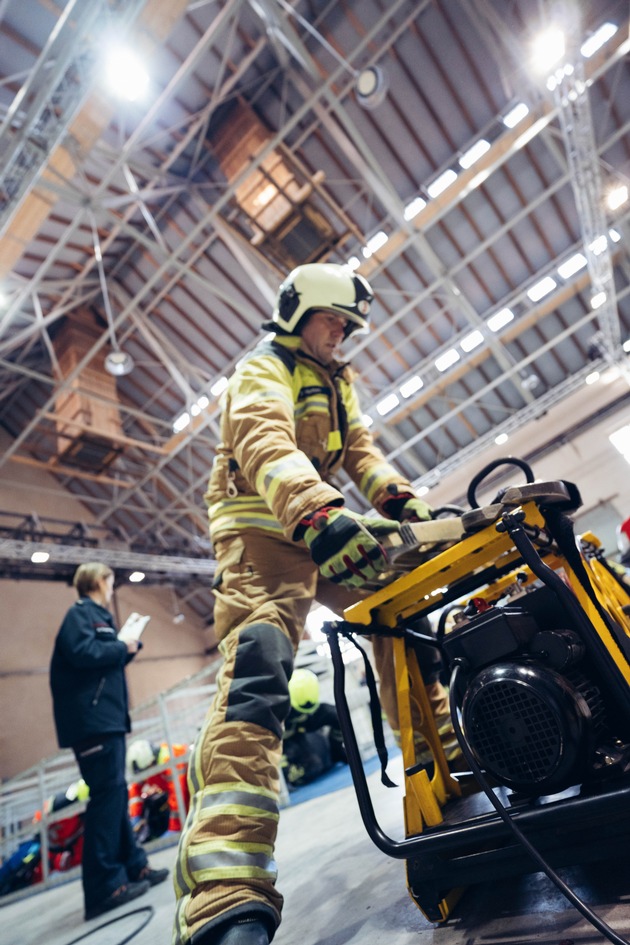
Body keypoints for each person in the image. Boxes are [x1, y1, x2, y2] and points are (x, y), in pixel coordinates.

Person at [172, 263, 457, 945]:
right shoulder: (262, 368)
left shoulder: (336, 381)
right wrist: (319, 516)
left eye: (349, 326)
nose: (344, 334)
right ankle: (224, 890)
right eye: (335, 321)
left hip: (316, 522)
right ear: (299, 315)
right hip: (260, 533)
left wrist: (401, 501)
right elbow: (264, 443)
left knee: (401, 610)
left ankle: (447, 765)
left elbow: (361, 451)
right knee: (258, 669)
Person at [49, 562, 169, 921]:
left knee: (114, 794)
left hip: (106, 720)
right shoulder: (80, 615)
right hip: (92, 723)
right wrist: (120, 648)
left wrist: (126, 648)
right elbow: (83, 653)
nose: (113, 587)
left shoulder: (96, 616)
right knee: (106, 799)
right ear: (100, 581)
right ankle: (103, 888)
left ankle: (134, 867)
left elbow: (100, 658)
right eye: (111, 581)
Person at [281, 668, 347, 788]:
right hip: (288, 744)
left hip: (305, 732)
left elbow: (331, 715)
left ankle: (336, 750)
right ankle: (287, 776)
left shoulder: (310, 704)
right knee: (313, 766)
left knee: (338, 715)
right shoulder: (276, 717)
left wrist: (336, 746)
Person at [127, 739, 191, 834]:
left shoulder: (171, 760)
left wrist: (174, 829)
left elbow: (178, 797)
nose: (146, 776)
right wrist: (135, 816)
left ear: (149, 764)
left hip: (190, 792)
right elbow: (135, 789)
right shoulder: (148, 762)